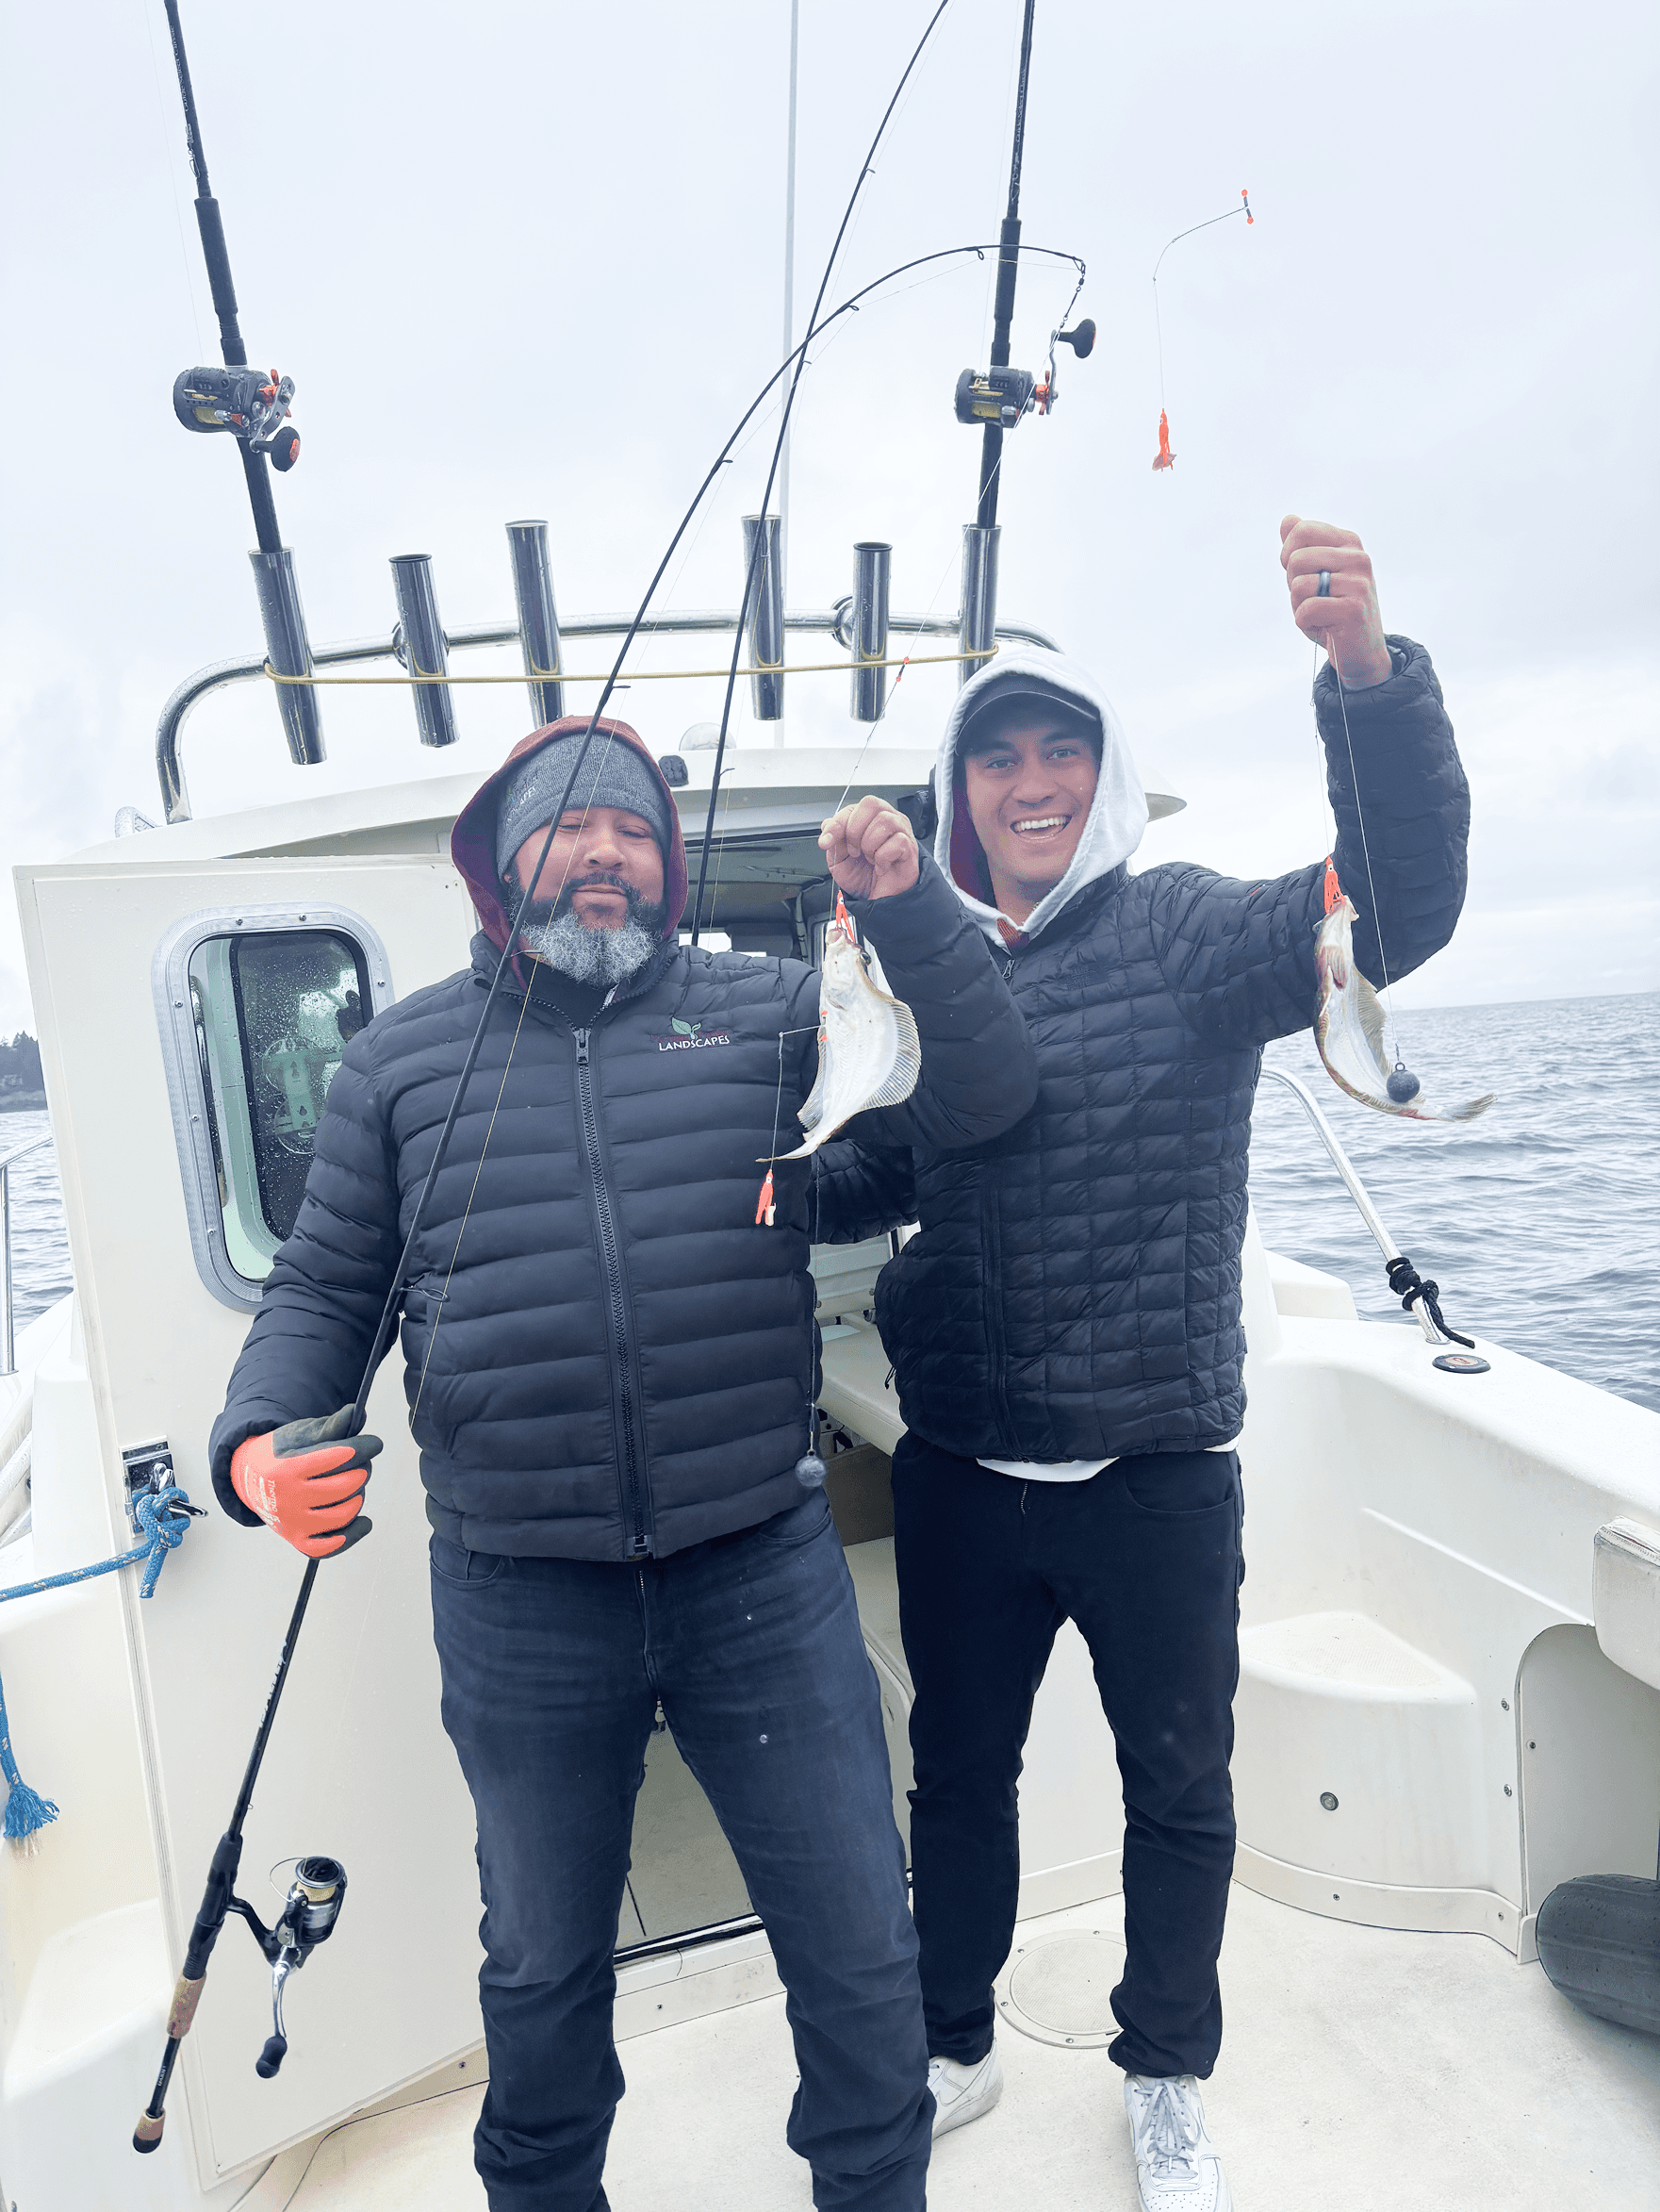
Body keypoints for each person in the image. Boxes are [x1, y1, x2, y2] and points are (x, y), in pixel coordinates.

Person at [207, 713, 1038, 2212]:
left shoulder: (778, 1008)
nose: (605, 852)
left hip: (760, 1563)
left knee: (858, 1938)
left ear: (668, 869)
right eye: (569, 826)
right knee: (538, 1961)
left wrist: (911, 911)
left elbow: (970, 1109)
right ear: (496, 858)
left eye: (637, 830)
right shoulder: (396, 1066)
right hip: (522, 1595)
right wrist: (259, 1446)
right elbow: (323, 1289)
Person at [868, 517, 1471, 2211]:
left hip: (1154, 1471)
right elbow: (856, 1164)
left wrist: (1366, 678)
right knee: (959, 1776)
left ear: (1107, 771)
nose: (1034, 780)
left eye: (1064, 748)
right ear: (958, 787)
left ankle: (1166, 2070)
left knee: (1178, 1790)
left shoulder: (1192, 933)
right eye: (1001, 756)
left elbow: (1399, 909)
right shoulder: (910, 970)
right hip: (967, 1468)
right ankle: (952, 2038)